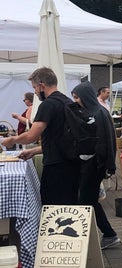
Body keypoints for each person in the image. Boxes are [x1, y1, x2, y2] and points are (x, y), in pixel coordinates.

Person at [1, 67, 81, 205]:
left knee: (51, 205)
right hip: (72, 163)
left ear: (42, 85)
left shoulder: (48, 105)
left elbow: (31, 136)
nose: (35, 93)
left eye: (35, 88)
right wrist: (33, 151)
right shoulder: (67, 101)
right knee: (69, 205)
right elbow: (60, 139)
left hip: (56, 167)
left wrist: (11, 139)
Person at [70, 82, 121, 250]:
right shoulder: (93, 112)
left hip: (94, 165)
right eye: (74, 97)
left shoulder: (99, 113)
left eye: (77, 97)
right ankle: (108, 234)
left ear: (85, 96)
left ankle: (105, 235)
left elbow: (108, 141)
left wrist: (108, 165)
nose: (75, 101)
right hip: (91, 165)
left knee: (86, 201)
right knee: (89, 201)